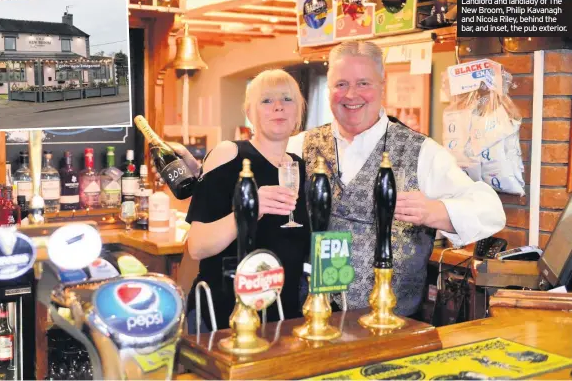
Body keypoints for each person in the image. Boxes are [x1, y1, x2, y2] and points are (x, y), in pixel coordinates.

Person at [285, 41, 506, 317]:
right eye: (340, 84)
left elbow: (491, 211)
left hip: (393, 324)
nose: (351, 95)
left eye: (363, 83)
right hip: (313, 318)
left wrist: (435, 211)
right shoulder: (298, 146)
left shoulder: (421, 152)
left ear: (382, 86)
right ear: (329, 89)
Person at [182, 69, 310, 332]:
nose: (278, 107)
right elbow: (197, 246)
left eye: (287, 100)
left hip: (283, 316)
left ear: (298, 112)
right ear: (249, 113)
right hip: (225, 314)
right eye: (266, 101)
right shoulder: (230, 154)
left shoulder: (297, 167)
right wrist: (249, 210)